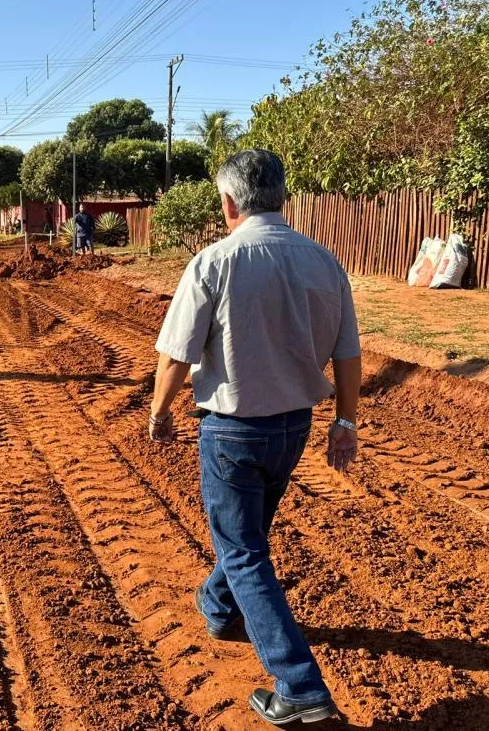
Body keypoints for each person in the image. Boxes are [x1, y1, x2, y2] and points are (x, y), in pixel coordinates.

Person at [148, 149, 360, 726]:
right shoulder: (324, 262)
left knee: (243, 551)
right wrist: (345, 422)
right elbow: (347, 354)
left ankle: (299, 686)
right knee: (246, 539)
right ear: (283, 199)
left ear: (227, 202)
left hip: (233, 431)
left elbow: (176, 354)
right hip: (295, 427)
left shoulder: (213, 262)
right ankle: (218, 606)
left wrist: (160, 412)